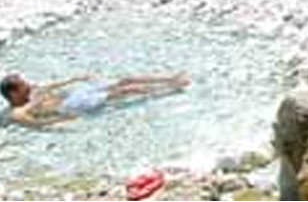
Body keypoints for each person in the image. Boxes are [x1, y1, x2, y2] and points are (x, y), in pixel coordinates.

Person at [1, 71, 190, 128]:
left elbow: (48, 87)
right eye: (23, 85)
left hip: (74, 94)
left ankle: (170, 78)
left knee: (124, 80)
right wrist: (63, 119)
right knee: (124, 92)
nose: (29, 85)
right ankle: (170, 89)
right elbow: (36, 124)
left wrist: (73, 79)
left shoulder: (30, 92)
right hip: (73, 105)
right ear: (14, 94)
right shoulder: (17, 112)